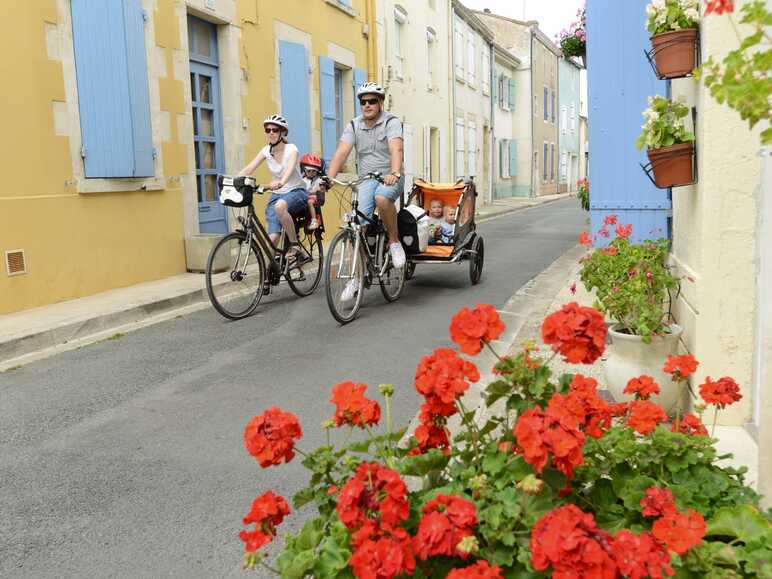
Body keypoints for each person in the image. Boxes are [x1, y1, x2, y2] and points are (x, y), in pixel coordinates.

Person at [326, 82, 406, 271]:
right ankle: (356, 278)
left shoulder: (390, 122)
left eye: (372, 101)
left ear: (380, 103)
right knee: (357, 225)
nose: (367, 105)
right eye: (363, 102)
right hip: (366, 179)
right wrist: (328, 178)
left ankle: (394, 242)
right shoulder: (354, 124)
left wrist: (394, 172)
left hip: (390, 176)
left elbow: (397, 148)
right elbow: (341, 153)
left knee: (382, 198)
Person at [238, 114, 308, 259]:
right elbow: (249, 169)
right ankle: (269, 276)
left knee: (279, 207)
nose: (271, 133)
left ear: (282, 132)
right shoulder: (266, 151)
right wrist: (233, 181)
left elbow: (289, 169)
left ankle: (295, 245)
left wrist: (281, 182)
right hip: (277, 194)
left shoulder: (291, 149)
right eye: (268, 130)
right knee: (271, 240)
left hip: (296, 191)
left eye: (275, 130)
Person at [299, 154, 326, 231]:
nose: (311, 172)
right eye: (309, 170)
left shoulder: (318, 179)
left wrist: (321, 187)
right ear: (304, 170)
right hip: (304, 198)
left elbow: (321, 188)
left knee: (310, 202)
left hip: (314, 198)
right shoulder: (303, 180)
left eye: (314, 171)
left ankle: (314, 220)